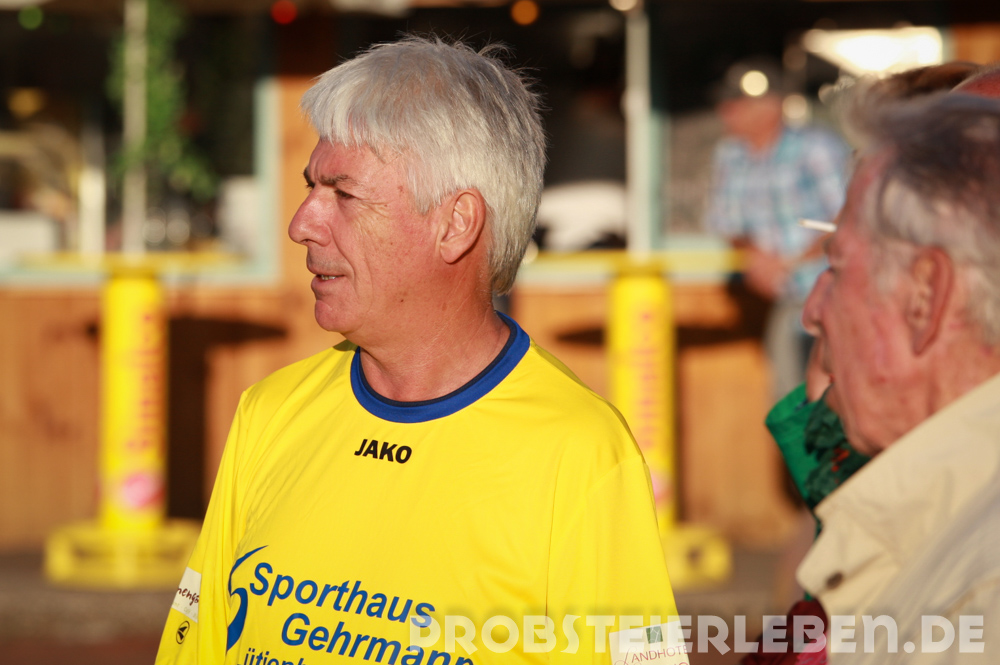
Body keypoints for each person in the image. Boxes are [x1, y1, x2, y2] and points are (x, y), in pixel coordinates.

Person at [154, 36, 680, 665]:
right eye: (310, 187)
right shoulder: (269, 412)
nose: (301, 224)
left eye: (343, 194)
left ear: (456, 223)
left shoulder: (581, 452)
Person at [794, 87, 1000, 662]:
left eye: (837, 268)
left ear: (925, 297)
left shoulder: (980, 598)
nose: (813, 311)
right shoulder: (946, 531)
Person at [706, 57, 851, 401]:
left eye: (737, 103)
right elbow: (725, 222)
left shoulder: (817, 147)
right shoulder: (729, 154)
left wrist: (788, 262)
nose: (726, 112)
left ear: (771, 105)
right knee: (791, 401)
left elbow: (847, 219)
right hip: (786, 300)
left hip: (835, 294)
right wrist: (755, 258)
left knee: (837, 399)